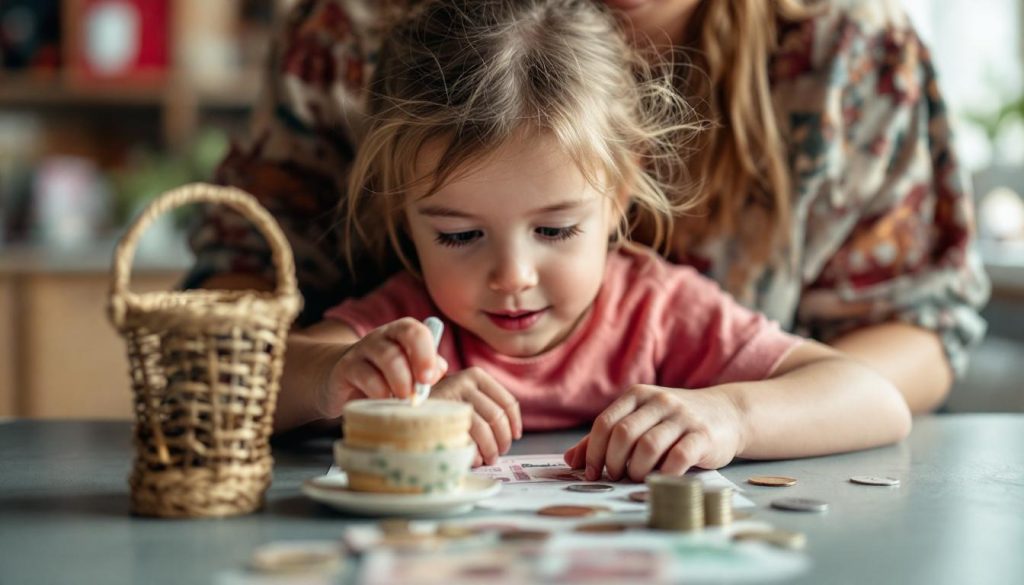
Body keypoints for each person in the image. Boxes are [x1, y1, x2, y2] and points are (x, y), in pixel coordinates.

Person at [185, 0, 987, 474]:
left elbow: (876, 389)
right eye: (460, 233)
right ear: (402, 213)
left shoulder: (662, 310)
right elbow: (235, 375)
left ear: (625, 189)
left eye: (558, 228)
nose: (512, 276)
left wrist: (733, 417)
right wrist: (352, 390)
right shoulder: (408, 318)